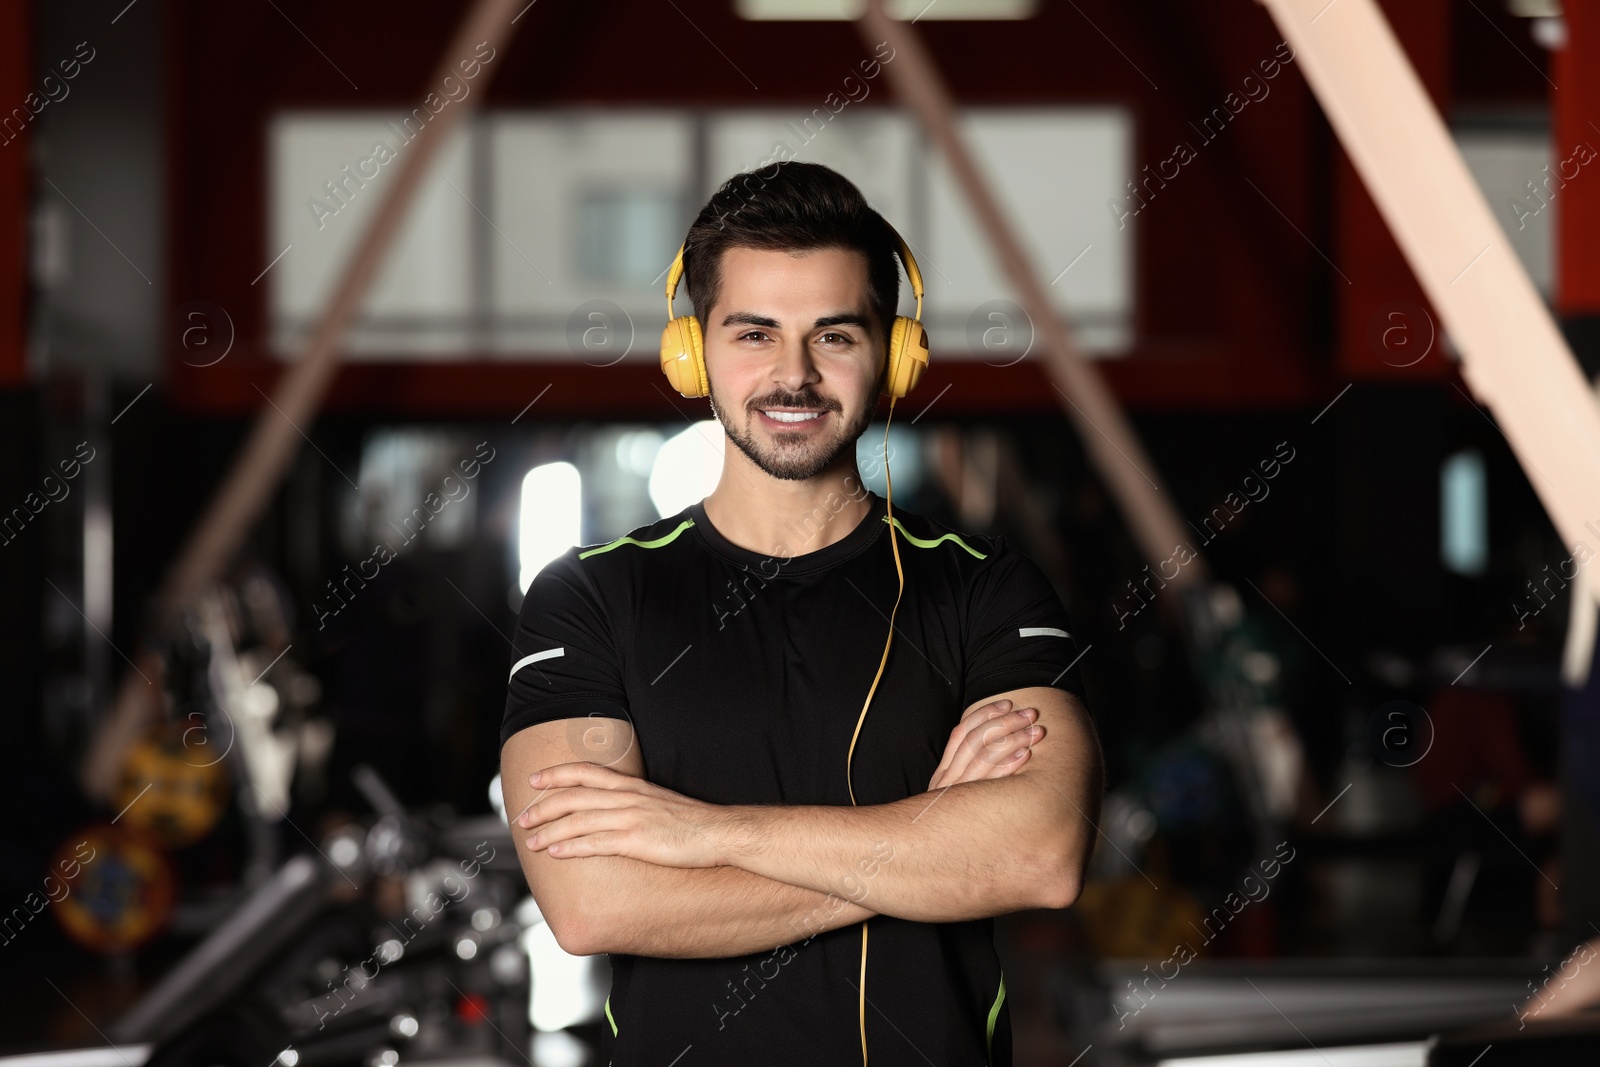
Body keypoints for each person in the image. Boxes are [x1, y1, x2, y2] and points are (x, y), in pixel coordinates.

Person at [499, 161, 1102, 1066]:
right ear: (692, 353)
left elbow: (1040, 856)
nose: (794, 375)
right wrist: (929, 836)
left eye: (835, 335)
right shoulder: (590, 595)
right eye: (753, 333)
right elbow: (592, 904)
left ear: (894, 356)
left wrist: (701, 832)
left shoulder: (984, 587)